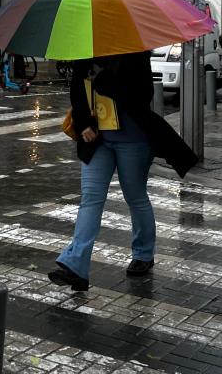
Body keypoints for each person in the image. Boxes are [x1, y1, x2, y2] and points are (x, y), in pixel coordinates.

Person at [48, 52, 198, 292]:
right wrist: (84, 122)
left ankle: (143, 254)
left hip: (133, 139)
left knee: (135, 196)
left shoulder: (135, 53)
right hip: (97, 140)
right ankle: (75, 265)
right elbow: (77, 91)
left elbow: (142, 96)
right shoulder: (85, 51)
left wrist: (104, 81)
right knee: (90, 199)